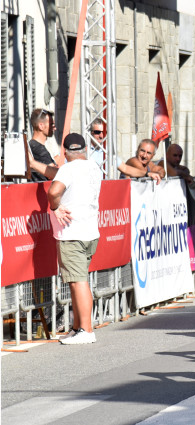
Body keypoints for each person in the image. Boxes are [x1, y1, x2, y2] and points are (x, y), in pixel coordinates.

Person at [47, 133, 102, 344]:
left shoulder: (67, 169)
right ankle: (79, 327)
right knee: (75, 281)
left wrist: (55, 207)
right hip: (89, 231)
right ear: (85, 149)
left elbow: (53, 191)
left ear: (65, 152)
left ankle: (86, 330)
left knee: (78, 282)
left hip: (72, 233)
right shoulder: (93, 167)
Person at [89, 119, 161, 183]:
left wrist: (148, 174)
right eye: (97, 132)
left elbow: (125, 168)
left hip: (104, 191)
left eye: (104, 132)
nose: (101, 136)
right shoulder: (85, 151)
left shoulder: (108, 151)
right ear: (90, 132)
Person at [28, 108, 58, 181]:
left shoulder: (36, 146)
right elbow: (54, 174)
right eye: (51, 124)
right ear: (41, 126)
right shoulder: (36, 147)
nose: (54, 128)